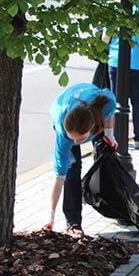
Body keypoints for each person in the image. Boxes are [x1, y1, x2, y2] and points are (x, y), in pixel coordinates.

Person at [43, 83, 117, 235]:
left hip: (89, 107)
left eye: (80, 139)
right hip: (66, 105)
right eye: (73, 139)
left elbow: (109, 115)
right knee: (72, 169)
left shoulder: (106, 103)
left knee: (105, 153)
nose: (76, 143)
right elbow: (58, 178)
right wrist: (49, 217)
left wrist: (110, 135)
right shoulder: (63, 136)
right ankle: (73, 222)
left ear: (91, 129)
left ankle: (111, 201)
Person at [103, 28, 139, 149]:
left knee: (115, 101)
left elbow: (105, 38)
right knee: (137, 100)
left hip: (116, 61)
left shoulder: (114, 9)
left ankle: (115, 136)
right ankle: (137, 138)